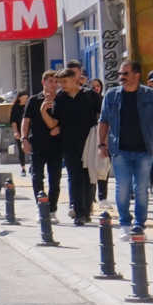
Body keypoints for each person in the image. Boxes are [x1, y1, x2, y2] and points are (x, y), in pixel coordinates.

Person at [97, 59, 153, 238]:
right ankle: (125, 223)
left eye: (125, 74)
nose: (121, 77)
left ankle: (139, 224)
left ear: (137, 75)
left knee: (141, 188)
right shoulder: (111, 95)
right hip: (120, 150)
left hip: (145, 149)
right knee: (122, 187)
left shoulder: (149, 95)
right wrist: (101, 144)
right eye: (120, 74)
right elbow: (103, 121)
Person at [45, 68, 99, 225]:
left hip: (89, 142)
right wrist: (45, 113)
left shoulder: (90, 96)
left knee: (88, 177)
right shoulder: (60, 98)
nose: (62, 85)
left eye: (64, 82)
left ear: (75, 80)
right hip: (69, 144)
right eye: (60, 82)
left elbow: (102, 115)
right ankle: (79, 212)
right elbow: (55, 120)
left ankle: (87, 209)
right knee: (75, 177)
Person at [21, 71, 61, 218]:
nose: (54, 84)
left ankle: (52, 210)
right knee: (37, 176)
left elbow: (66, 120)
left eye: (56, 81)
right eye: (51, 81)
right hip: (37, 144)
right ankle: (41, 206)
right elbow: (26, 121)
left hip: (56, 146)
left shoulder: (61, 99)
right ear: (44, 82)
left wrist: (60, 128)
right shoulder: (33, 100)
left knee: (55, 179)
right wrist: (24, 139)